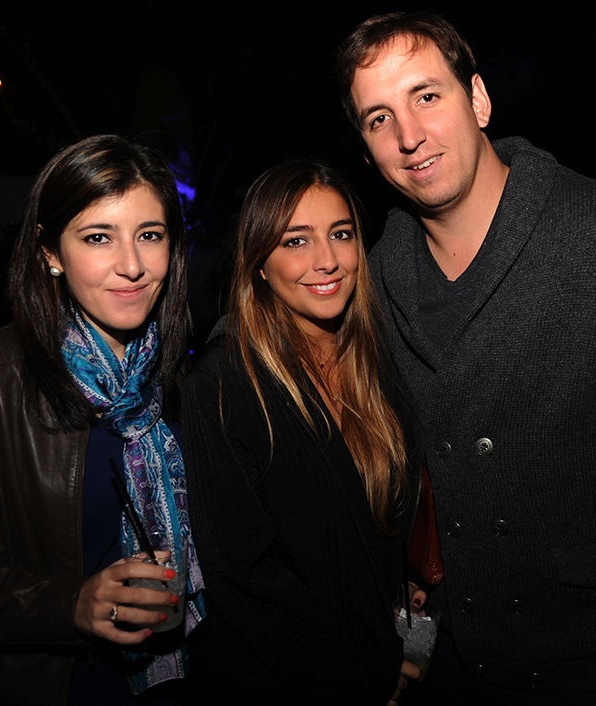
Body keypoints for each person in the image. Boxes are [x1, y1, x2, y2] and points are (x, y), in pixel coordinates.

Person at [335, 11, 596, 705]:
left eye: (426, 96)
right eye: (379, 118)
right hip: (457, 674)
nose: (408, 136)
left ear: (478, 100)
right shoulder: (375, 284)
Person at [0, 134, 206, 705]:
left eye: (150, 235)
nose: (131, 266)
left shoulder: (178, 378)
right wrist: (68, 604)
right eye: (98, 237)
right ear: (50, 252)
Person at [178, 158, 426, 705]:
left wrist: (391, 586)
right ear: (258, 264)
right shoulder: (221, 387)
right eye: (295, 241)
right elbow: (242, 579)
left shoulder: (376, 369)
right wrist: (363, 674)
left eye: (341, 234)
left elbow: (358, 529)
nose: (328, 260)